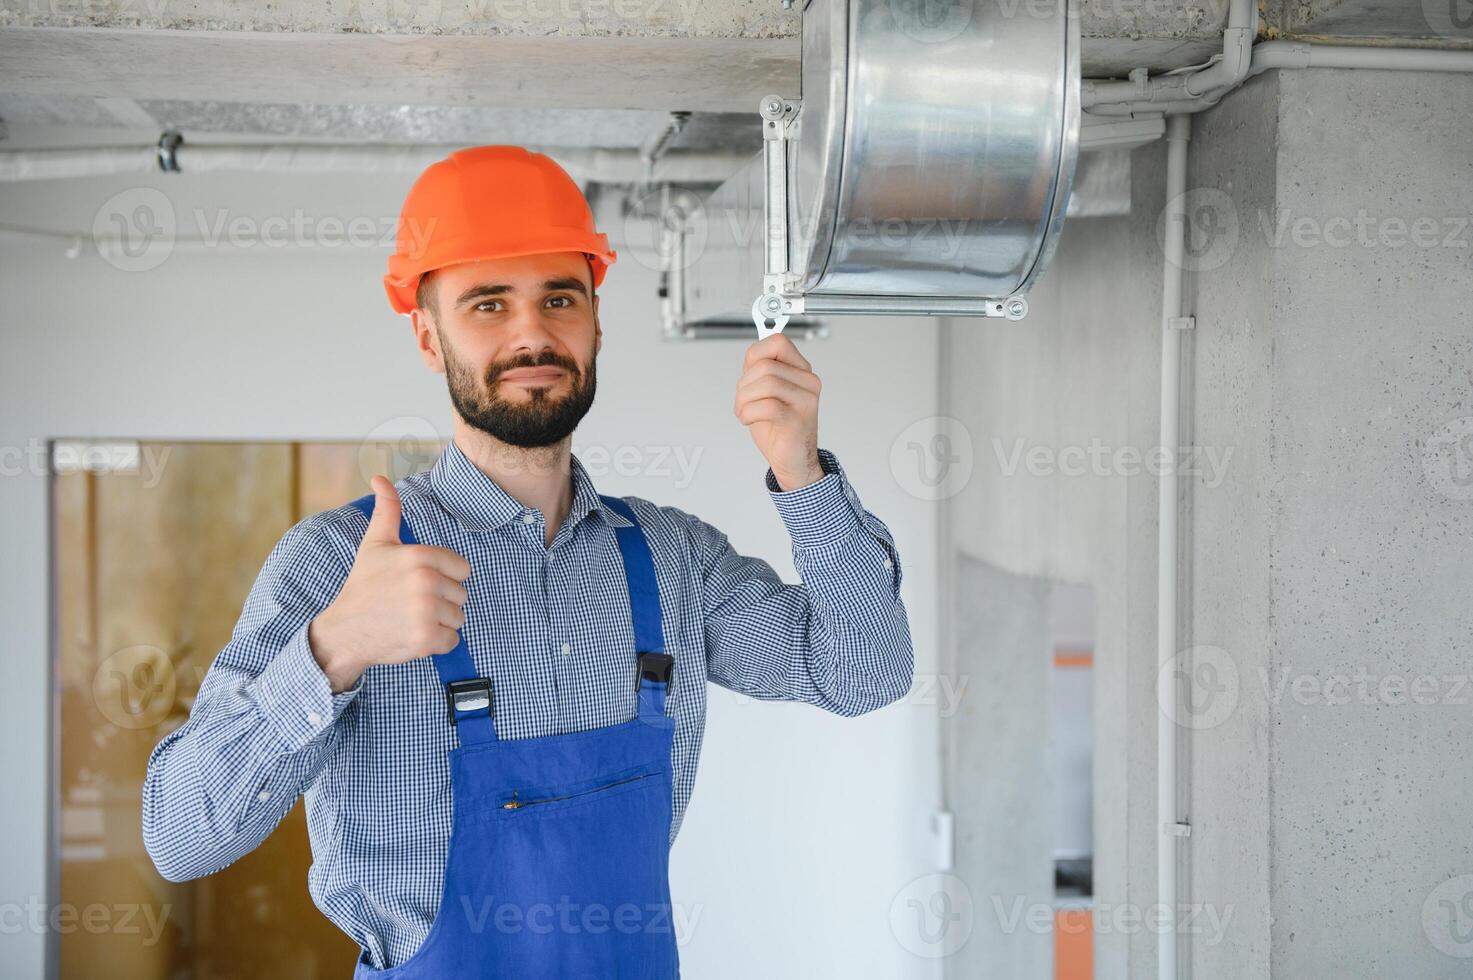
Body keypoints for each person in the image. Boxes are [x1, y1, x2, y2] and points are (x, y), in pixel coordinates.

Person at [140, 145, 914, 977]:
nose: (532, 333)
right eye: (487, 305)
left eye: (558, 298)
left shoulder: (668, 558)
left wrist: (802, 473)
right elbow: (181, 839)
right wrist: (333, 652)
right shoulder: (338, 564)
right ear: (428, 339)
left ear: (595, 323)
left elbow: (864, 672)